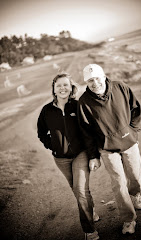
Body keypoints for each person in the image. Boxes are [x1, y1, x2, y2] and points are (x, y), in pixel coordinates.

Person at [77, 64, 141, 235]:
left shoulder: (120, 86)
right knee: (119, 183)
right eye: (90, 80)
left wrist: (133, 131)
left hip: (128, 141)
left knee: (134, 175)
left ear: (104, 76)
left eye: (97, 78)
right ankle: (129, 220)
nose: (95, 83)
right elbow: (86, 133)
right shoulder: (84, 102)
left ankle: (135, 194)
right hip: (107, 148)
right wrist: (93, 156)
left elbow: (135, 107)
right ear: (86, 82)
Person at [37, 73, 100, 240]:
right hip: (61, 159)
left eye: (66, 85)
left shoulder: (78, 106)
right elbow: (41, 133)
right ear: (54, 89)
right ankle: (90, 210)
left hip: (80, 154)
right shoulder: (47, 111)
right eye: (59, 85)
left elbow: (88, 132)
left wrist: (93, 155)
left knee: (80, 189)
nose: (62, 88)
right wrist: (52, 145)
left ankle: (89, 231)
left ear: (71, 88)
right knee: (77, 190)